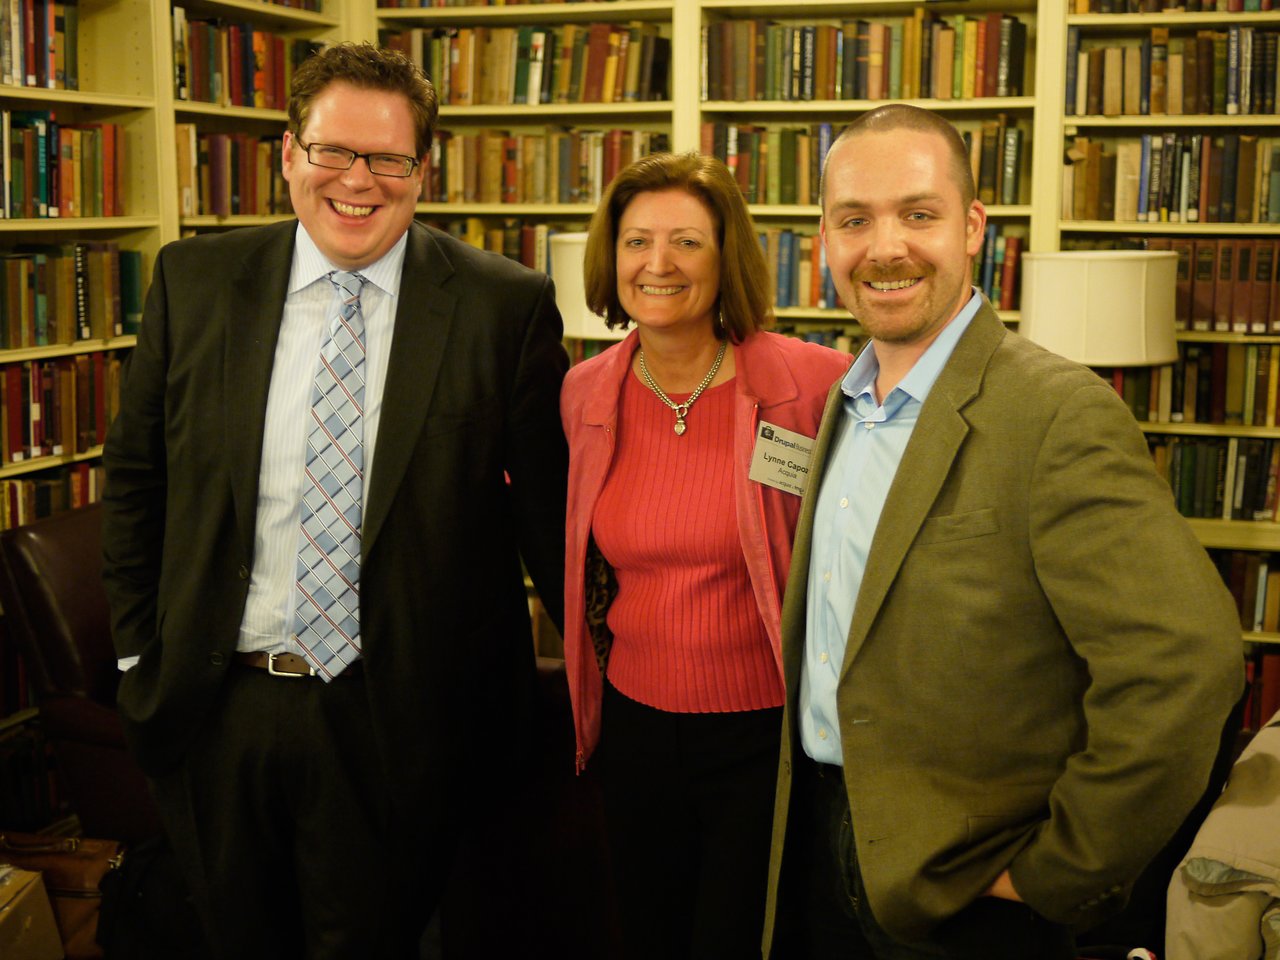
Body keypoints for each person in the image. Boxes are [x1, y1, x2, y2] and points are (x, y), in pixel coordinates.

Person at [100, 42, 568, 959]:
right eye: (334, 152)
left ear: (424, 173)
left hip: (399, 724)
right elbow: (136, 480)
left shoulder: (502, 306)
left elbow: (544, 524)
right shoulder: (194, 283)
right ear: (288, 155)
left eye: (389, 159)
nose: (359, 180)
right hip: (217, 705)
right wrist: (133, 660)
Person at [761, 103, 1245, 960]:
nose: (885, 247)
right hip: (822, 849)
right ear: (824, 238)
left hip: (977, 893)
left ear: (974, 226)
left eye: (919, 214)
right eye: (854, 220)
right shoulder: (844, 399)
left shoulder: (1057, 412)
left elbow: (1186, 666)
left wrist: (1061, 870)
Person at [560, 151, 851, 960]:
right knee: (649, 933)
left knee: (745, 940)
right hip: (635, 727)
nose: (657, 264)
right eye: (635, 241)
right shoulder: (585, 392)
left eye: (686, 242)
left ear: (726, 257)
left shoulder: (811, 384)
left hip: (764, 736)